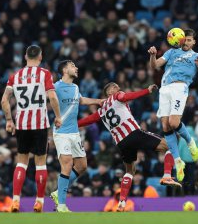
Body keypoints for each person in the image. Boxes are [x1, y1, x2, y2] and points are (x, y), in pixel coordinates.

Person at [78, 82, 181, 211]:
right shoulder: (116, 97)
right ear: (109, 92)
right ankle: (167, 176)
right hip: (133, 133)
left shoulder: (101, 111)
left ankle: (121, 202)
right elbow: (125, 97)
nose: (117, 88)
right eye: (114, 87)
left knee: (129, 171)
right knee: (169, 145)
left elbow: (89, 120)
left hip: (121, 143)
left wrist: (74, 125)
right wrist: (146, 91)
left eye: (117, 86)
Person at [1, 45, 62, 212]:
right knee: (40, 164)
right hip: (40, 124)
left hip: (21, 124)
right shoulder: (45, 74)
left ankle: (15, 201)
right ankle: (39, 201)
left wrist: (8, 120)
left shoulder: (15, 76)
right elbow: (52, 97)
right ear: (40, 57)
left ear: (26, 57)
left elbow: (4, 100)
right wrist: (58, 116)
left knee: (21, 163)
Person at [148, 29, 198, 182]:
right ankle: (178, 161)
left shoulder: (196, 56)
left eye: (189, 40)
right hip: (165, 88)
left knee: (174, 123)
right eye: (184, 39)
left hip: (180, 87)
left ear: (193, 42)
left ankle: (190, 142)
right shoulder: (171, 52)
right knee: (166, 127)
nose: (186, 42)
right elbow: (155, 66)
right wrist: (153, 55)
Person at [49, 60, 104, 213]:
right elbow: (49, 98)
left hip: (74, 133)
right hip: (61, 133)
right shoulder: (56, 86)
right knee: (67, 165)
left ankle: (57, 193)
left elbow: (80, 100)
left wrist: (98, 101)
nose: (77, 68)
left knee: (82, 166)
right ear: (65, 70)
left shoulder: (75, 87)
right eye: (73, 66)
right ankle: (61, 205)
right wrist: (57, 115)